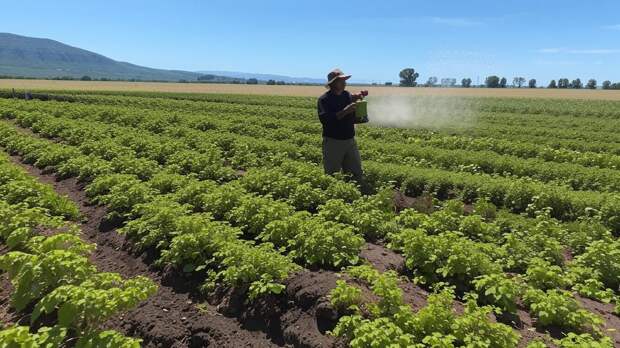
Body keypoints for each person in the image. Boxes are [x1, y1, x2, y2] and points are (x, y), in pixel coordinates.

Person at [317, 68, 365, 185]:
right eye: (341, 80)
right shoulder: (324, 100)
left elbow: (352, 114)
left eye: (345, 80)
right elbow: (326, 120)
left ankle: (355, 193)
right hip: (333, 142)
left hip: (350, 140)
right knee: (332, 174)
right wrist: (346, 110)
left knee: (356, 172)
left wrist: (358, 102)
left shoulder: (346, 95)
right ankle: (332, 196)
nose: (345, 83)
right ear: (333, 83)